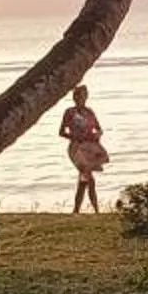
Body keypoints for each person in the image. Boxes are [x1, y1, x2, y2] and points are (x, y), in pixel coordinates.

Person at [58, 84, 108, 214]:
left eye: (83, 96)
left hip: (89, 147)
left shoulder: (90, 112)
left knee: (84, 180)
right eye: (78, 96)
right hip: (76, 148)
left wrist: (98, 134)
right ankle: (96, 210)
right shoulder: (69, 112)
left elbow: (99, 128)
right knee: (88, 177)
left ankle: (77, 211)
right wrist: (74, 136)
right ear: (74, 98)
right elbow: (61, 132)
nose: (81, 98)